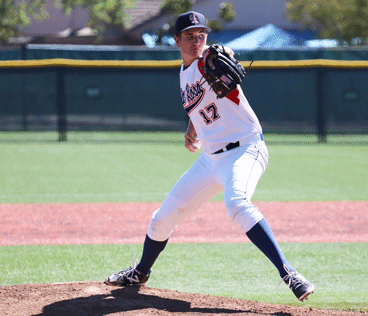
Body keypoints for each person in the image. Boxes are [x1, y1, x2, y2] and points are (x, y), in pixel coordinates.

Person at [105, 11, 314, 302]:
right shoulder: (184, 71)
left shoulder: (210, 61)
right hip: (210, 159)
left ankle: (289, 273)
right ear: (177, 40)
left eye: (201, 34)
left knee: (237, 204)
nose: (196, 40)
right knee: (160, 220)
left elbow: (223, 71)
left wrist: (221, 60)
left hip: (246, 149)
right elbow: (201, 102)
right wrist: (192, 127)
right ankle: (140, 272)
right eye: (189, 36)